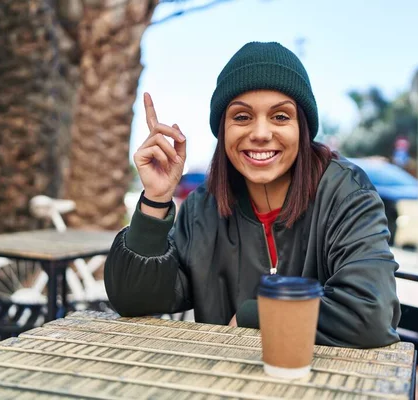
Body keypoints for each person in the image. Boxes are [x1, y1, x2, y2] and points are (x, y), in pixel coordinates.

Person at [105, 41, 401, 348]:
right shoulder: (201, 208)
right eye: (242, 117)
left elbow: (371, 313)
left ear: (303, 128)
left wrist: (259, 313)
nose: (260, 133)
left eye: (280, 117)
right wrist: (156, 198)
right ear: (223, 131)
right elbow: (134, 299)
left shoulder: (346, 194)